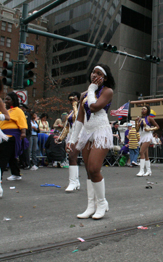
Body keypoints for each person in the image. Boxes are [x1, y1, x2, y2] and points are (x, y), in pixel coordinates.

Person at [68, 63, 115, 220]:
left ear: (105, 77)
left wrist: (92, 90)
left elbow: (94, 107)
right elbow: (80, 118)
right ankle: (90, 206)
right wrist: (73, 140)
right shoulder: (84, 94)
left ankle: (102, 203)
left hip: (101, 131)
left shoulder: (107, 91)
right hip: (87, 132)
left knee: (95, 168)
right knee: (88, 170)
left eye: (98, 73)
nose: (94, 75)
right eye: (93, 72)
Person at [0, 92, 28, 181]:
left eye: (8, 99)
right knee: (11, 156)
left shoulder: (18, 111)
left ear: (13, 101)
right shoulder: (4, 111)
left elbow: (22, 122)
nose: (6, 101)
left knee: (3, 156)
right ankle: (16, 174)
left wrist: (23, 132)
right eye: (5, 99)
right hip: (3, 135)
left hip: (11, 136)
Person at [57, 92, 81, 191]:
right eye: (70, 100)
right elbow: (67, 127)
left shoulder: (82, 110)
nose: (72, 102)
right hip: (72, 136)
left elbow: (77, 117)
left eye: (74, 99)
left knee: (74, 157)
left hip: (81, 135)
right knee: (72, 157)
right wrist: (60, 138)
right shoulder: (71, 112)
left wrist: (76, 105)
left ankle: (75, 181)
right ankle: (74, 182)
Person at [135, 105, 159, 176]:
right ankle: (149, 170)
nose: (143, 110)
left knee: (141, 152)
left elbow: (157, 127)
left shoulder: (149, 118)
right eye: (142, 109)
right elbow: (137, 129)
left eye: (144, 109)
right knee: (146, 155)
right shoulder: (139, 119)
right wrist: (136, 122)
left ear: (147, 110)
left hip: (148, 136)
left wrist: (149, 129)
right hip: (142, 136)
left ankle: (141, 171)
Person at [19, 104, 31, 170]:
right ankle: (22, 163)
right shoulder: (20, 113)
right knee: (21, 149)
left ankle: (27, 163)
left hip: (26, 133)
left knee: (26, 149)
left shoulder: (26, 114)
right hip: (20, 133)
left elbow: (27, 124)